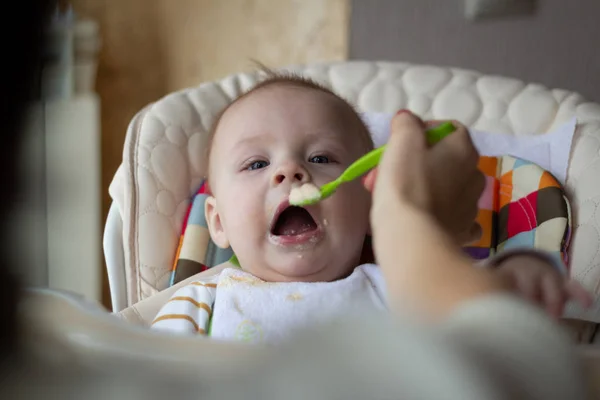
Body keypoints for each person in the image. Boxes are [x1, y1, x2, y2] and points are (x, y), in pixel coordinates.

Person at [151, 72, 591, 340]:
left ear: (370, 206)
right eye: (256, 163)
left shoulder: (402, 282)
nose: (289, 170)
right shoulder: (201, 301)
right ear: (218, 222)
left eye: (321, 158)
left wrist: (514, 281)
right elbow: (145, 373)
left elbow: (474, 320)